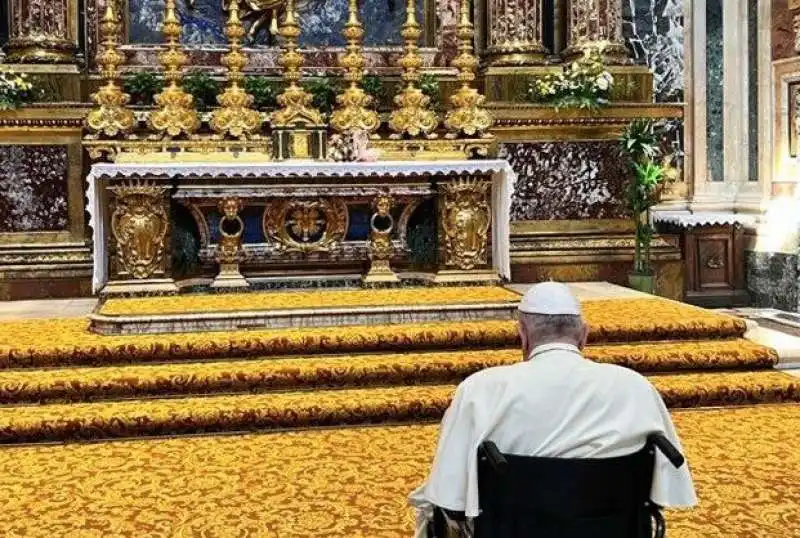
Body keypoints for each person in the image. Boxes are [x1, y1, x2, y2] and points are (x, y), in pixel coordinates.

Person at [409, 281, 697, 537]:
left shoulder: (481, 390)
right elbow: (663, 492)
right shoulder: (635, 387)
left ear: (522, 335)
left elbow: (449, 498)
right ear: (584, 334)